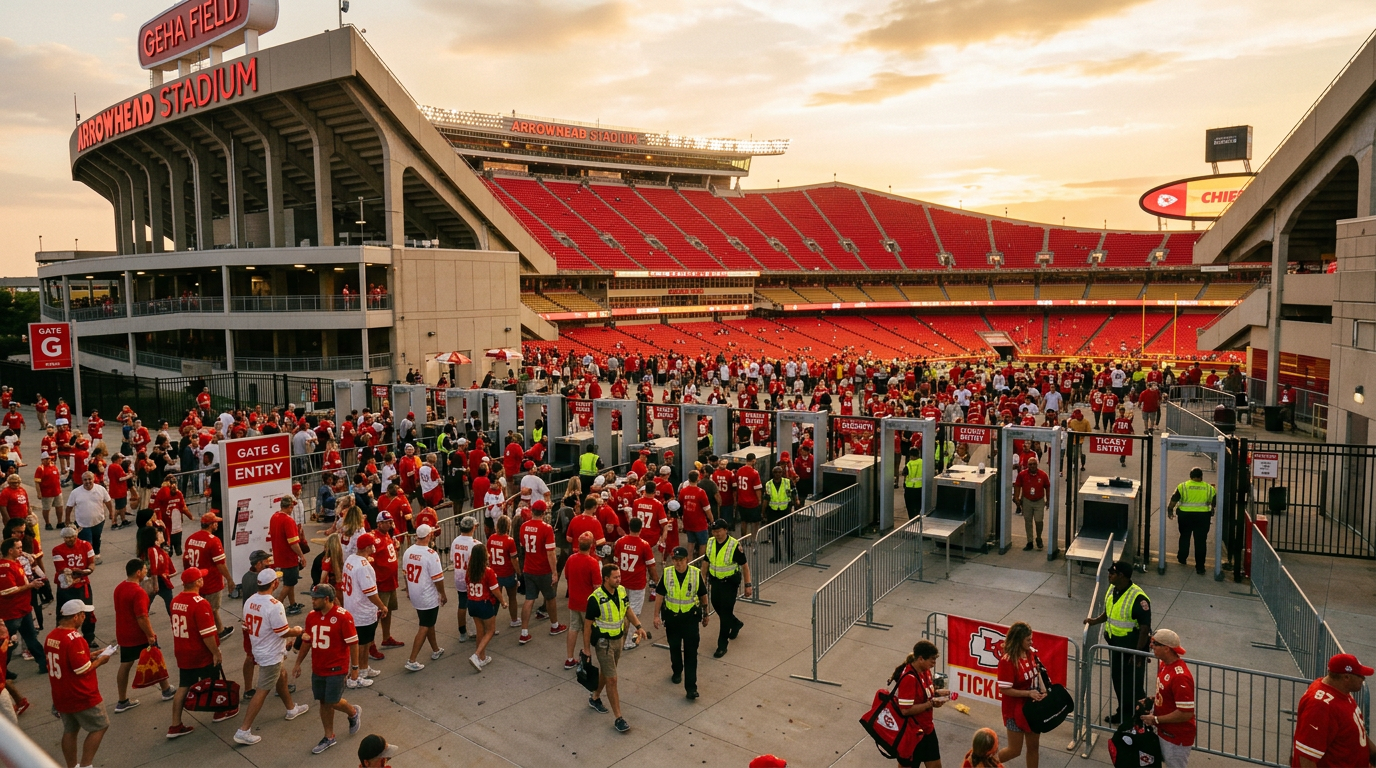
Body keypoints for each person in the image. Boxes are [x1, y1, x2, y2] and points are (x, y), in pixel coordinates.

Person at [234, 568, 309, 745]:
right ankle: (243, 730)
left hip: (259, 648)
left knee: (281, 676)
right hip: (270, 654)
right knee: (262, 690)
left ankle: (291, 708)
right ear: (274, 583)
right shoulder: (274, 605)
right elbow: (283, 632)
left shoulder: (250, 601)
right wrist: (297, 631)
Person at [292, 584, 363, 755]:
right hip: (318, 667)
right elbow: (307, 641)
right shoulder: (311, 617)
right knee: (323, 702)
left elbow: (353, 643)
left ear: (326, 599)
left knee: (332, 701)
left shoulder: (343, 617)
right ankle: (329, 736)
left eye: (315, 598)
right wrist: (298, 663)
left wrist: (355, 667)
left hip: (336, 667)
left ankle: (353, 712)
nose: (312, 600)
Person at [167, 567, 236, 739]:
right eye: (201, 578)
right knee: (214, 682)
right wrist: (216, 652)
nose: (203, 579)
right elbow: (207, 634)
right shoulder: (200, 603)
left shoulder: (175, 601)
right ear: (198, 582)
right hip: (200, 652)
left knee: (184, 685)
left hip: (182, 650)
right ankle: (219, 712)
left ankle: (175, 725)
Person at [1083, 561, 1150, 726]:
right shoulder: (1113, 590)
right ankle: (1123, 714)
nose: (1109, 575)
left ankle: (1140, 719)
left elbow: (1144, 628)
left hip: (1132, 649)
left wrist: (1138, 653)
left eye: (1112, 573)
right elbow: (1109, 612)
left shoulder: (1138, 598)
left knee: (1134, 686)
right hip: (1115, 646)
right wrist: (1094, 621)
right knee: (1119, 682)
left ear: (1122, 576)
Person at [47, 600, 111, 768]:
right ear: (76, 617)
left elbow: (67, 661)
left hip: (61, 694)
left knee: (70, 730)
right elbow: (82, 670)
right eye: (83, 614)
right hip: (81, 694)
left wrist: (90, 655)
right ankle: (86, 765)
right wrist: (101, 661)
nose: (85, 617)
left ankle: (71, 766)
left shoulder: (51, 636)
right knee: (100, 726)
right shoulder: (75, 639)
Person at [584, 563, 647, 734]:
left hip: (618, 640)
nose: (619, 579)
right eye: (615, 577)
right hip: (603, 644)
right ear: (606, 578)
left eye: (619, 576)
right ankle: (619, 718)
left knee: (607, 672)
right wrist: (586, 649)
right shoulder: (595, 599)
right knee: (612, 679)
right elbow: (587, 625)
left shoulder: (621, 591)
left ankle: (595, 697)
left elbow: (627, 610)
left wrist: (638, 626)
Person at [112, 558, 174, 712]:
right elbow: (142, 617)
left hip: (123, 634)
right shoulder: (139, 592)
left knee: (125, 665)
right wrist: (150, 634)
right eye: (145, 569)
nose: (147, 571)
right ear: (138, 572)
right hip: (139, 635)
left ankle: (122, 700)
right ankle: (166, 690)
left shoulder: (119, 588)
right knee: (156, 658)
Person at [1292, 653, 1374, 768]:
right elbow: (1306, 758)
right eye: (1360, 676)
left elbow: (1355, 733)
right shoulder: (1320, 706)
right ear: (1346, 677)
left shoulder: (1340, 691)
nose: (1363, 679)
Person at [654, 545, 708, 699]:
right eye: (675, 560)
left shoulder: (695, 574)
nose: (678, 563)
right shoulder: (667, 573)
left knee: (691, 654)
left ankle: (691, 688)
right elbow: (659, 595)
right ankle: (677, 670)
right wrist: (656, 615)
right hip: (672, 619)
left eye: (681, 560)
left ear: (687, 560)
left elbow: (703, 595)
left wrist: (705, 614)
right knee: (674, 648)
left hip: (690, 619)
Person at [1141, 628, 1195, 768]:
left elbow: (1186, 713)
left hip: (1176, 736)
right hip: (1163, 731)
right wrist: (1153, 699)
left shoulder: (1180, 677)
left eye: (1155, 643)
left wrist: (1156, 719)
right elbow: (1167, 693)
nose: (1151, 646)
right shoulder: (1163, 664)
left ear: (1166, 648)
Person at [891, 640, 950, 768]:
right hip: (913, 734)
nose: (934, 664)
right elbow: (905, 710)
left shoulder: (925, 671)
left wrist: (938, 694)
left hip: (927, 730)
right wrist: (930, 704)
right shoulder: (908, 678)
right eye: (932, 660)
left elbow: (925, 693)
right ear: (921, 659)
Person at [517, 499, 568, 643]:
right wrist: (554, 572)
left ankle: (524, 632)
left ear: (532, 511)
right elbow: (550, 552)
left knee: (529, 599)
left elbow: (523, 545)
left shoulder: (524, 526)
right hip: (543, 569)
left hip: (529, 567)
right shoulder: (546, 528)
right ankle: (554, 625)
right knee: (550, 598)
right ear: (544, 512)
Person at [995, 621, 1044, 768]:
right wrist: (1029, 693)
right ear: (1018, 640)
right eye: (1028, 639)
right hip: (1014, 711)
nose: (1031, 642)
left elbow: (1038, 672)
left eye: (1031, 638)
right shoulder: (1007, 661)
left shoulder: (1031, 653)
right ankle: (986, 763)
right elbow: (1004, 689)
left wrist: (1044, 691)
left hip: (1032, 709)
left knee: (1034, 748)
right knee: (1015, 750)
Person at [342, 533, 386, 688]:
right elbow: (371, 592)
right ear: (367, 547)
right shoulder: (364, 566)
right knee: (363, 643)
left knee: (365, 642)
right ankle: (359, 673)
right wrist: (382, 606)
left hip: (352, 607)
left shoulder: (350, 559)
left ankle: (364, 667)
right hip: (362, 611)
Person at [703, 518, 751, 658]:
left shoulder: (734, 545)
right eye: (714, 531)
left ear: (725, 530)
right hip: (715, 582)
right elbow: (706, 561)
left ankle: (722, 645)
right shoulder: (711, 542)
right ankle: (735, 624)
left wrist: (748, 585)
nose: (716, 534)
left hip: (730, 583)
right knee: (717, 606)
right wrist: (702, 578)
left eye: (719, 531)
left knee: (724, 615)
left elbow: (745, 566)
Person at [402, 524, 447, 671]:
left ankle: (435, 649)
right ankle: (412, 659)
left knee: (428, 623)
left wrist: (408, 590)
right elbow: (438, 578)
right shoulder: (430, 554)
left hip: (416, 593)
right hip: (427, 595)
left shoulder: (408, 552)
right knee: (425, 625)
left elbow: (405, 574)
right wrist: (443, 593)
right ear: (429, 535)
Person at [1, 536, 47, 673]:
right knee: (7, 643)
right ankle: (3, 670)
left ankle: (43, 663)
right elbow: (7, 591)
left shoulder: (15, 563)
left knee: (31, 638)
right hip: (12, 613)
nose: (21, 550)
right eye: (18, 548)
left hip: (23, 609)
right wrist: (31, 586)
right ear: (10, 550)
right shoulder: (5, 568)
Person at [183, 512, 233, 638]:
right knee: (212, 609)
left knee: (201, 607)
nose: (217, 524)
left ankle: (214, 629)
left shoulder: (191, 538)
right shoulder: (214, 541)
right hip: (211, 581)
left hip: (196, 581)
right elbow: (220, 564)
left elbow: (186, 560)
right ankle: (216, 632)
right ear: (212, 525)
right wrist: (230, 580)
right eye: (216, 522)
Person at [611, 518, 657, 651]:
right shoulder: (644, 545)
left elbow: (615, 562)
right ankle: (628, 641)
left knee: (621, 610)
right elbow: (651, 566)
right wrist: (656, 581)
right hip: (637, 584)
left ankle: (617, 636)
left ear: (629, 527)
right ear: (641, 528)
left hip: (622, 582)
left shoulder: (620, 542)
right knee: (634, 612)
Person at [52, 527, 97, 645]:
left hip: (82, 585)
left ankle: (89, 638)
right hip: (66, 586)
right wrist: (78, 572)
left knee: (87, 612)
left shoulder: (86, 545)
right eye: (67, 538)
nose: (70, 539)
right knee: (64, 613)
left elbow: (91, 563)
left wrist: (87, 571)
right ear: (63, 538)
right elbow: (61, 569)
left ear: (76, 535)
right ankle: (62, 638)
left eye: (72, 537)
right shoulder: (57, 550)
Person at [1167, 468, 1216, 575]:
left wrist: (1170, 510)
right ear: (1201, 476)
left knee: (1184, 536)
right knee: (1201, 542)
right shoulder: (1209, 488)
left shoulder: (1183, 486)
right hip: (1203, 517)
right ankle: (1200, 567)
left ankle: (1182, 558)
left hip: (1185, 516)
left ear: (1190, 476)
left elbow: (1173, 500)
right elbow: (1214, 503)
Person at [563, 533, 601, 670]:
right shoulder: (592, 563)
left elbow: (567, 576)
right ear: (591, 546)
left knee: (573, 628)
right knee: (587, 629)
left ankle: (569, 658)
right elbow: (597, 586)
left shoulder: (571, 559)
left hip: (574, 601)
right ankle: (587, 653)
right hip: (588, 604)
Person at [466, 542, 504, 670]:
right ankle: (476, 655)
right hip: (484, 604)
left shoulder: (470, 571)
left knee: (480, 631)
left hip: (472, 603)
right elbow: (495, 590)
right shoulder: (488, 572)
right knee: (490, 630)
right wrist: (503, 602)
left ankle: (482, 657)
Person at [370, 512, 403, 654]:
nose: (390, 524)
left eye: (391, 521)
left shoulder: (388, 535)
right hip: (381, 582)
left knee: (387, 611)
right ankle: (370, 644)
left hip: (390, 580)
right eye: (387, 522)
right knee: (377, 614)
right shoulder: (373, 538)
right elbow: (369, 560)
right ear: (379, 523)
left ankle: (386, 637)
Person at [269, 495, 306, 615]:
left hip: (279, 556)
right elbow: (293, 543)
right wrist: (302, 555)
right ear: (290, 507)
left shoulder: (274, 517)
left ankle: (292, 604)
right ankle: (275, 607)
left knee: (290, 582)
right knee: (289, 583)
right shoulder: (289, 521)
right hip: (289, 557)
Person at [65, 472, 112, 562]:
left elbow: (108, 501)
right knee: (86, 542)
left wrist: (111, 513)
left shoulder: (100, 489)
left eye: (89, 479)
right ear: (82, 481)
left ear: (93, 479)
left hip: (98, 521)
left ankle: (96, 554)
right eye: (85, 480)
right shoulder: (75, 492)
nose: (87, 482)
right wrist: (67, 519)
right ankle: (86, 558)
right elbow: (69, 507)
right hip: (82, 523)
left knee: (96, 538)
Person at [1012, 455, 1049, 551]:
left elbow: (1047, 487)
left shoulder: (1043, 475)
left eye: (1034, 464)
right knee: (1028, 522)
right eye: (1030, 464)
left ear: (1037, 464)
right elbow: (1017, 485)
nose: (1032, 466)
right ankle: (1030, 541)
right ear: (1027, 465)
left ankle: (1039, 537)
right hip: (1027, 501)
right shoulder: (1022, 474)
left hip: (1039, 501)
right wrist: (1016, 497)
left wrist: (1048, 500)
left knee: (1039, 520)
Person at [450, 515, 478, 644]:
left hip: (459, 576)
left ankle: (462, 632)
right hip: (472, 577)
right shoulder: (475, 544)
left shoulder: (455, 541)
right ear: (473, 528)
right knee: (475, 603)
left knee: (462, 604)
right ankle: (475, 630)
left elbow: (452, 559)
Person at [735, 453, 764, 540]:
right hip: (752, 502)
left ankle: (743, 538)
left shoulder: (739, 470)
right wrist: (759, 500)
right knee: (755, 522)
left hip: (741, 501)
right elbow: (757, 489)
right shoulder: (754, 473)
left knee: (744, 521)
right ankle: (753, 538)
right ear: (753, 460)